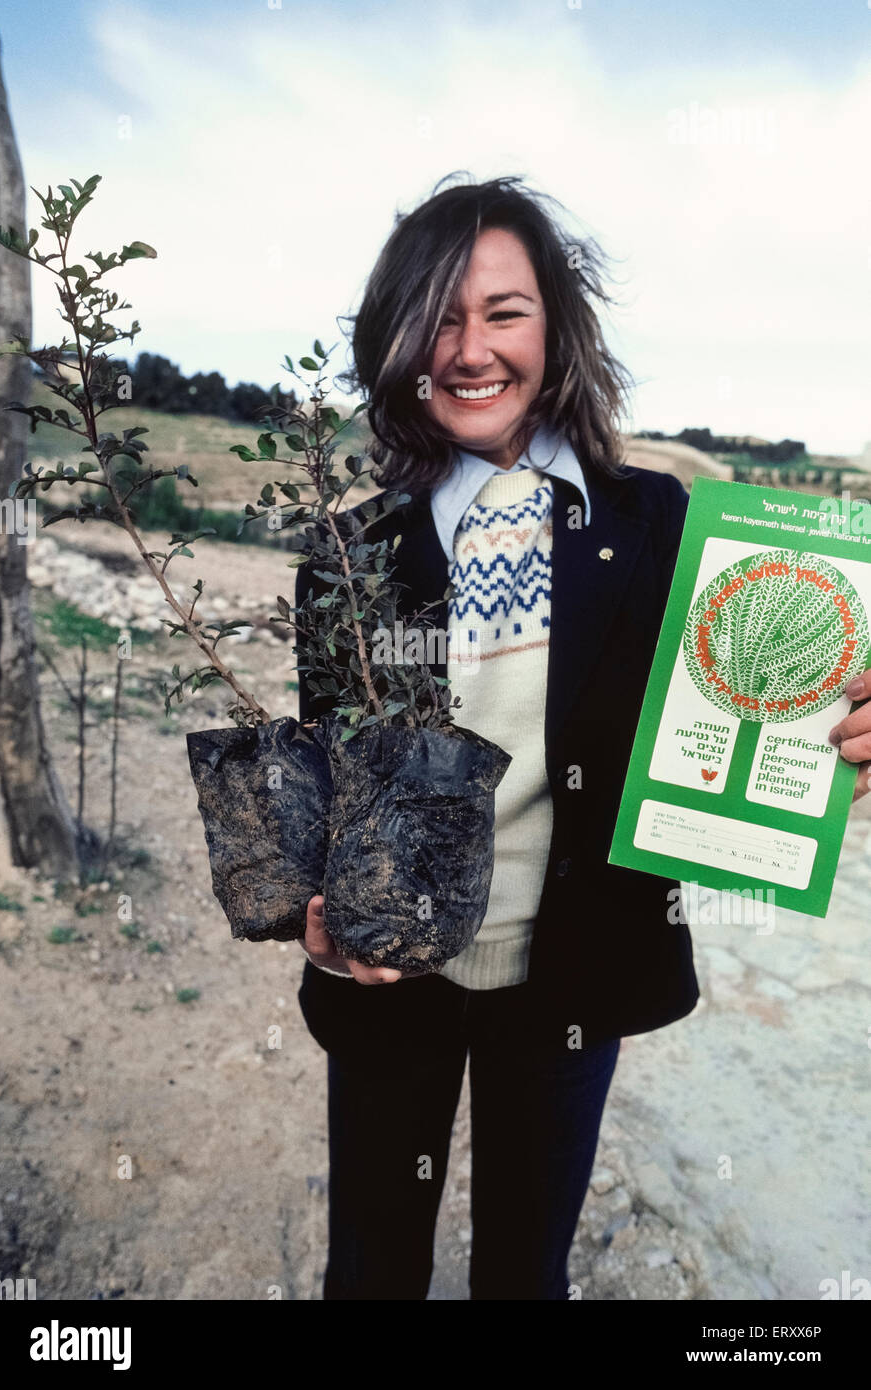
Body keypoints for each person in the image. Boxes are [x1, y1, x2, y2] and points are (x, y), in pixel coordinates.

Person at [292, 174, 871, 1301]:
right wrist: (317, 920)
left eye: (503, 311)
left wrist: (837, 720)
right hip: (390, 983)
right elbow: (325, 787)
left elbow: (767, 690)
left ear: (556, 327)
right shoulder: (349, 556)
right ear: (398, 339)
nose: (469, 348)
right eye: (439, 316)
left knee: (526, 1269)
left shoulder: (663, 527)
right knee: (370, 1265)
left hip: (572, 976)